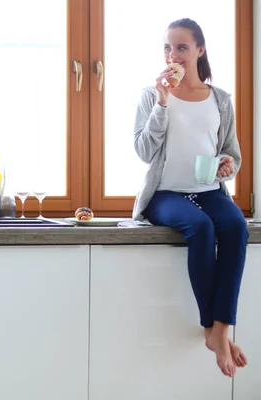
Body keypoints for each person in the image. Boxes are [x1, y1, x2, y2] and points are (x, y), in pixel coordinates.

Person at [132, 18, 248, 378]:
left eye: (181, 47)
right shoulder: (152, 95)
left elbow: (232, 154)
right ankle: (210, 330)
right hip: (166, 194)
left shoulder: (221, 99)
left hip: (209, 190)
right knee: (200, 228)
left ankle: (221, 329)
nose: (173, 55)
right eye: (168, 48)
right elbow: (144, 151)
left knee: (235, 227)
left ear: (200, 50)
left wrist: (228, 166)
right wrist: (163, 104)